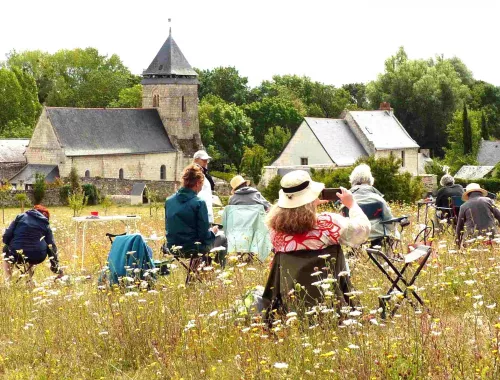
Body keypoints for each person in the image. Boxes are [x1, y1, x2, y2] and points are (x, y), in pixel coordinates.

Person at [267, 170, 370, 252]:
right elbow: (363, 230)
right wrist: (352, 204)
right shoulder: (327, 224)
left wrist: (308, 204)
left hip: (288, 278)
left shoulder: (275, 231)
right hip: (325, 277)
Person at [165, 164, 227, 259]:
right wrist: (213, 232)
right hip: (193, 248)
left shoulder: (169, 201)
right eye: (202, 184)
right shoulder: (199, 203)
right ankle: (212, 270)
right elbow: (204, 236)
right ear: (198, 183)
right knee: (222, 238)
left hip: (171, 247)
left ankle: (199, 268)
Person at [2, 205, 62, 282]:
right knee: (33, 249)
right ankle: (30, 281)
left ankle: (8, 281)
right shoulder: (45, 223)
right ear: (43, 214)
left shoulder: (20, 217)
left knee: (6, 249)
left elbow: (7, 235)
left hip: (16, 253)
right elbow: (51, 246)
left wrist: (9, 244)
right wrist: (55, 267)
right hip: (37, 255)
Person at [348, 164, 398, 245]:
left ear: (352, 180)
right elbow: (390, 223)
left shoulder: (346, 201)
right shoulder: (378, 199)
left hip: (355, 242)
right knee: (396, 234)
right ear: (370, 180)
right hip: (378, 240)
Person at [193, 150, 215, 223]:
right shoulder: (193, 175)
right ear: (196, 160)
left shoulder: (206, 175)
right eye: (203, 160)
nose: (205, 162)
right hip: (198, 212)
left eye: (206, 160)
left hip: (207, 211)